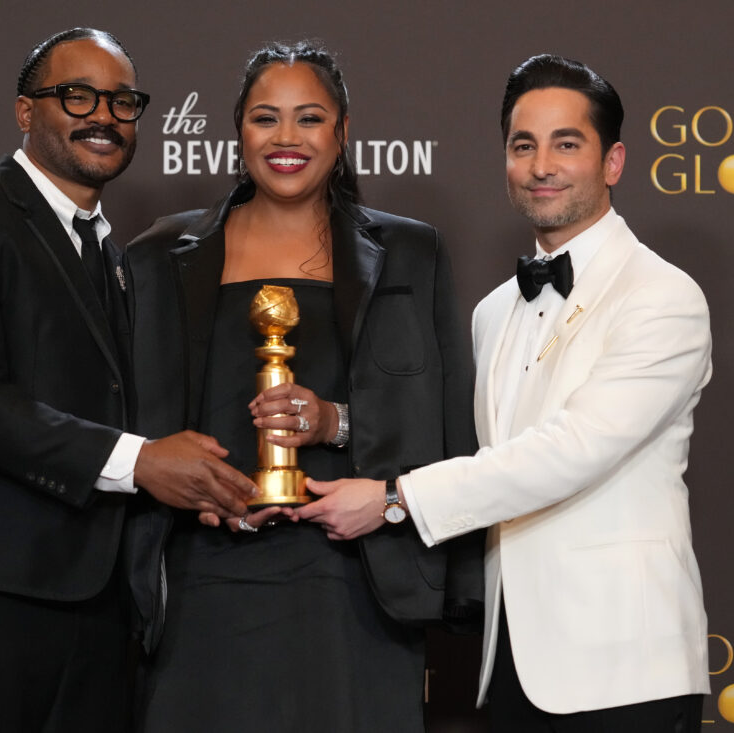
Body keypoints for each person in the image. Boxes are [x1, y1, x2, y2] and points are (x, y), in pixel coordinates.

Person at [0, 27, 256, 733]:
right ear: (25, 110)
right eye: (78, 96)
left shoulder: (118, 259)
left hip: (93, 606)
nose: (104, 115)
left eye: (123, 101)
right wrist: (143, 461)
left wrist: (206, 485)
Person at [302, 54, 712, 732]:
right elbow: (456, 439)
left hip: (625, 666)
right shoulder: (493, 311)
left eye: (566, 144)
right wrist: (335, 423)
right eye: (524, 146)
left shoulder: (662, 296)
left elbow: (572, 450)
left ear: (613, 161)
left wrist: (395, 499)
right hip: (512, 663)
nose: (542, 165)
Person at [126, 40, 479, 733]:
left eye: (309, 118)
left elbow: (441, 421)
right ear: (238, 130)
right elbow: (132, 424)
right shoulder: (158, 255)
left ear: (343, 132)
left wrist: (332, 421)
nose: (286, 138)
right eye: (266, 118)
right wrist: (199, 494)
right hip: (202, 580)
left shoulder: (411, 252)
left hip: (357, 584)